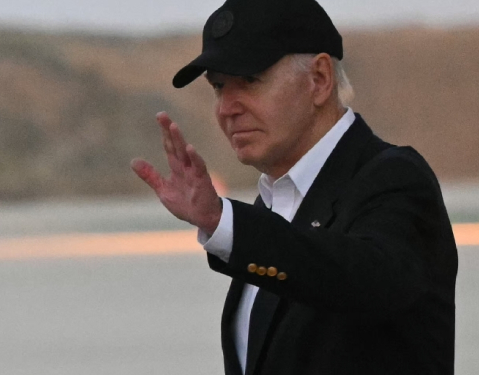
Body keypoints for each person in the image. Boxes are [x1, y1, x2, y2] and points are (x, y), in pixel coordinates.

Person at [131, 0, 458, 374]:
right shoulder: (270, 206)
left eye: (249, 80)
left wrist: (223, 221)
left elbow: (363, 280)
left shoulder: (395, 179)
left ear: (319, 79)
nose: (227, 107)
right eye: (219, 87)